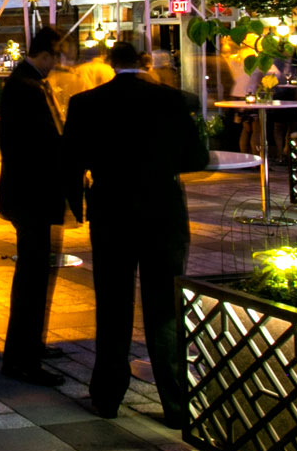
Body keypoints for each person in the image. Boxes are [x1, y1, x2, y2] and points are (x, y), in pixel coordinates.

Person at [62, 37, 209, 426]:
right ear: (145, 61)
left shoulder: (86, 104)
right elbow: (197, 158)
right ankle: (175, 402)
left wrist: (79, 207)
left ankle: (107, 395)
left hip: (112, 210)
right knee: (164, 307)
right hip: (163, 210)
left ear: (110, 62)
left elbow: (71, 162)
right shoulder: (174, 100)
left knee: (113, 304)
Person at [0, 24, 72, 385]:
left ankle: (30, 346)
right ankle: (22, 358)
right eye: (58, 58)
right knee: (33, 275)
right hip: (32, 194)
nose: (59, 66)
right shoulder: (27, 87)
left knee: (36, 272)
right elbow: (44, 143)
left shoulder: (25, 82)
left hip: (27, 194)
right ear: (48, 54)